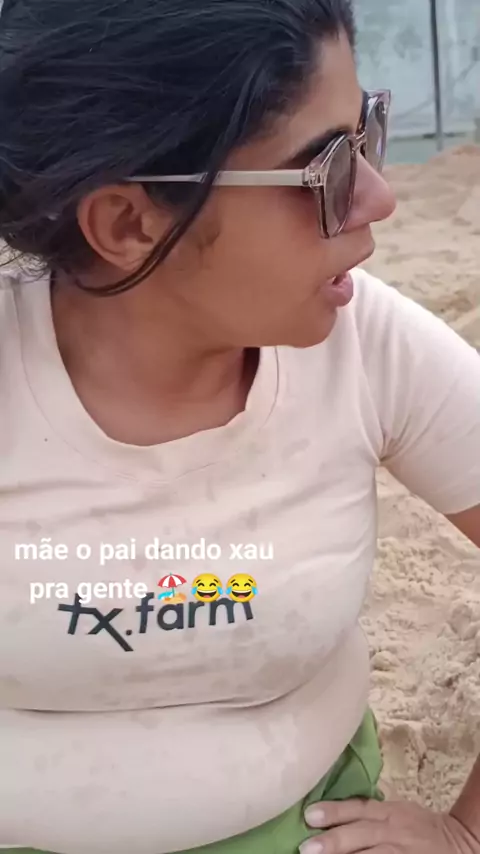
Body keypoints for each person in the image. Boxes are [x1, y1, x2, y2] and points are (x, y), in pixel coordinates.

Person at [0, 0, 479, 853]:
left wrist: (464, 833)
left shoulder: (365, 344)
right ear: (128, 223)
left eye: (366, 131)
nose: (381, 196)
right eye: (328, 168)